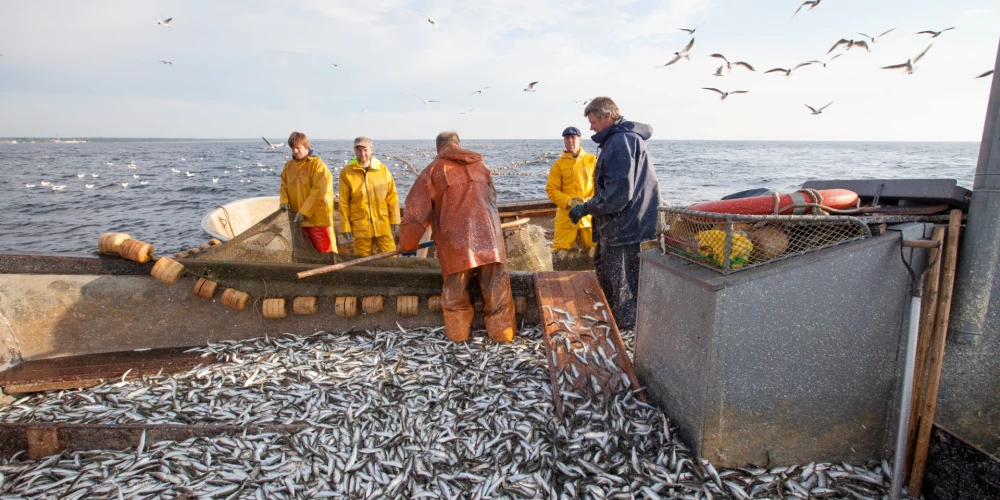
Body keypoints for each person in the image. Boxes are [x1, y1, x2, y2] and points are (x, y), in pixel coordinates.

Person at [399, 131, 516, 343]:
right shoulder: (482, 167)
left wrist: (407, 244)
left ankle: (458, 340)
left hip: (457, 245)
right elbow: (492, 200)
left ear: (438, 148)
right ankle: (503, 337)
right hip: (491, 241)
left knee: (454, 296)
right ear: (458, 145)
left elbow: (416, 215)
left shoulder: (433, 170)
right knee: (497, 292)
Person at [569, 97, 661, 329]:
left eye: (593, 122)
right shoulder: (619, 139)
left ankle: (625, 327)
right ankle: (618, 319)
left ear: (607, 117)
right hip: (623, 223)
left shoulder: (621, 141)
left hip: (624, 225)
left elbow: (619, 192)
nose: (591, 127)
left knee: (621, 280)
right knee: (610, 272)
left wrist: (586, 207)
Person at [338, 136, 400, 257]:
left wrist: (395, 220)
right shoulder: (346, 172)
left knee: (390, 257)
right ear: (354, 150)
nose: (362, 153)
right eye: (359, 150)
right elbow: (343, 202)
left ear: (371, 149)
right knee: (363, 260)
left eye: (365, 149)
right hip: (361, 226)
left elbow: (392, 197)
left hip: (383, 224)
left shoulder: (383, 170)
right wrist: (345, 227)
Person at [279, 131, 337, 253]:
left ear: (306, 146)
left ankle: (329, 272)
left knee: (325, 251)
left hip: (318, 219)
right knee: (306, 252)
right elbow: (284, 186)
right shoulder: (288, 166)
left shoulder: (317, 164)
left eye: (298, 148)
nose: (295, 151)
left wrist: (305, 211)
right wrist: (283, 202)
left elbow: (319, 190)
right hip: (298, 219)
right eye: (293, 148)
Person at [545, 126, 597, 251]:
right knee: (558, 252)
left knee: (596, 251)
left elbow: (602, 185)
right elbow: (551, 190)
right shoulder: (558, 165)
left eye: (573, 137)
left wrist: (591, 200)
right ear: (564, 141)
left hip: (589, 216)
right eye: (567, 138)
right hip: (566, 217)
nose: (570, 141)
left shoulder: (592, 160)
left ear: (580, 139)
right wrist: (569, 202)